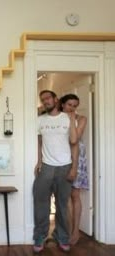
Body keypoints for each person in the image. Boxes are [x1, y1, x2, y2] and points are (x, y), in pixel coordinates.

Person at [33, 90, 78, 253]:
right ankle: (40, 236)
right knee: (40, 204)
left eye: (47, 98)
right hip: (46, 166)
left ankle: (62, 237)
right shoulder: (39, 120)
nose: (45, 101)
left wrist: (74, 168)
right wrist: (39, 161)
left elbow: (74, 142)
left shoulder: (67, 118)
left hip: (65, 167)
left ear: (55, 99)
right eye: (42, 99)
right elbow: (39, 142)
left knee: (63, 206)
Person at [59, 94, 89, 245]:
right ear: (62, 104)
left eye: (75, 105)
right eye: (69, 104)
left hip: (77, 158)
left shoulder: (81, 119)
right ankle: (64, 230)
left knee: (75, 195)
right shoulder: (55, 118)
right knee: (62, 198)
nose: (72, 108)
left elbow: (75, 139)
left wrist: (71, 120)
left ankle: (75, 231)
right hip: (60, 158)